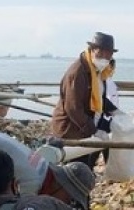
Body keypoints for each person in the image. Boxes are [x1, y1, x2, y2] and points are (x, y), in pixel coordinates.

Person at [51, 31, 120, 170]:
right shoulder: (78, 72)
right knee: (75, 170)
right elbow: (73, 108)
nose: (104, 58)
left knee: (87, 167)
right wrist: (94, 130)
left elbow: (98, 98)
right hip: (71, 130)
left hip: (87, 127)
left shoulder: (97, 72)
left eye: (108, 54)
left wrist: (115, 111)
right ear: (92, 50)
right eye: (101, 53)